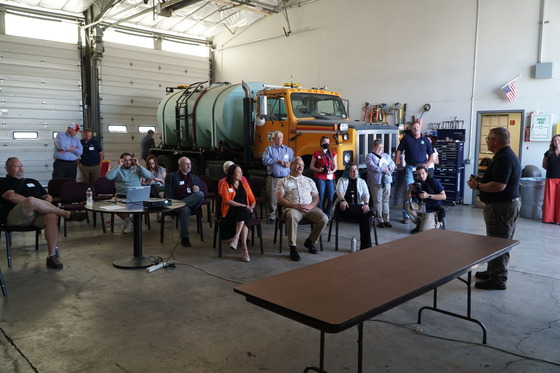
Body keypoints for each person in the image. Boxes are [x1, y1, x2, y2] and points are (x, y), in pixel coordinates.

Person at [0, 157, 88, 269]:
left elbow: (48, 196)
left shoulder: (32, 181)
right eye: (16, 166)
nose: (20, 169)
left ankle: (51, 256)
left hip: (36, 215)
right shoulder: (3, 182)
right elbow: (11, 197)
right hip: (16, 217)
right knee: (31, 200)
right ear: (7, 169)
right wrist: (34, 203)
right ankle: (66, 214)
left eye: (21, 166)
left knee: (51, 215)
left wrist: (43, 204)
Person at [467, 127, 521, 290]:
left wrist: (478, 185)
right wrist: (482, 179)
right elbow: (496, 179)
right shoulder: (503, 156)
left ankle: (498, 278)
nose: (487, 142)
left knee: (499, 242)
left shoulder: (504, 158)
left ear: (496, 140)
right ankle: (492, 270)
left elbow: (499, 186)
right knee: (493, 240)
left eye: (488, 139)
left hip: (502, 208)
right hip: (502, 207)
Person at [276, 156, 328, 261]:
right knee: (291, 216)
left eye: (302, 165)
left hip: (309, 208)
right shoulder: (283, 181)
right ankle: (293, 247)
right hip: (293, 208)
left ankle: (310, 241)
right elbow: (279, 199)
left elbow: (316, 197)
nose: (300, 167)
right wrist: (294, 205)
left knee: (324, 218)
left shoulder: (309, 180)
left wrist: (310, 206)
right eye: (298, 164)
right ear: (291, 165)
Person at [394, 121, 434, 223]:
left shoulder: (425, 140)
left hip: (422, 170)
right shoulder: (406, 138)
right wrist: (395, 162)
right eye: (413, 128)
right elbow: (399, 150)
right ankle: (406, 215)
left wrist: (428, 164)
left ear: (420, 128)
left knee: (423, 191)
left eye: (417, 127)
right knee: (409, 190)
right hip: (410, 168)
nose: (415, 129)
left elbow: (431, 154)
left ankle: (422, 213)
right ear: (411, 130)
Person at [105, 152, 152, 233]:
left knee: (146, 205)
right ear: (121, 160)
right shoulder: (117, 169)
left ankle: (133, 221)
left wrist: (138, 165)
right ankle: (129, 221)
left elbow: (149, 176)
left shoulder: (136, 168)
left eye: (130, 160)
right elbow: (108, 177)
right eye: (125, 160)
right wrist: (118, 165)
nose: (128, 162)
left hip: (137, 194)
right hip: (121, 194)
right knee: (112, 204)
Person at [164, 157, 205, 247]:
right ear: (180, 165)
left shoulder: (194, 177)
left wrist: (198, 190)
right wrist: (172, 202)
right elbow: (168, 192)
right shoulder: (171, 176)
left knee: (200, 194)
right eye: (186, 164)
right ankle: (185, 238)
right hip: (177, 204)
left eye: (190, 163)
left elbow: (204, 192)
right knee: (184, 209)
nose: (189, 165)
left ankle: (180, 204)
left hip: (192, 203)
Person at [218, 163, 256, 262]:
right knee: (243, 213)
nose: (241, 174)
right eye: (238, 172)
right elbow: (227, 200)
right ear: (232, 174)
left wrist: (251, 207)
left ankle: (236, 238)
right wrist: (243, 205)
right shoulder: (225, 184)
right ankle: (244, 250)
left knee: (244, 212)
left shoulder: (244, 185)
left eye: (241, 172)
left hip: (245, 211)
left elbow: (253, 200)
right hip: (231, 211)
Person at [334, 163, 372, 250]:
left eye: (356, 169)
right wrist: (342, 200)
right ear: (347, 171)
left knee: (366, 216)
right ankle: (367, 247)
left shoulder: (362, 182)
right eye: (351, 170)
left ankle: (365, 248)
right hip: (344, 208)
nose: (354, 171)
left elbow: (366, 194)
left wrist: (366, 204)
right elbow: (339, 191)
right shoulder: (342, 180)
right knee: (365, 213)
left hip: (358, 209)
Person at [262, 131, 294, 224]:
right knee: (272, 197)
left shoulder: (288, 150)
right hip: (273, 178)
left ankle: (284, 215)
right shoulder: (269, 149)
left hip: (285, 178)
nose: (279, 139)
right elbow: (264, 161)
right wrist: (277, 160)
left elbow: (293, 161)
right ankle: (272, 215)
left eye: (281, 137)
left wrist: (290, 163)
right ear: (273, 139)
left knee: (286, 197)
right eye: (277, 137)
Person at [404, 166, 446, 233]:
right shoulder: (417, 184)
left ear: (427, 173)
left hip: (433, 209)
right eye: (419, 174)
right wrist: (410, 189)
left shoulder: (434, 182)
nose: (421, 176)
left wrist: (428, 196)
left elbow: (444, 196)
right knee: (407, 206)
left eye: (423, 173)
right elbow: (406, 199)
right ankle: (420, 224)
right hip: (422, 207)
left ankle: (438, 223)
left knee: (423, 232)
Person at [366, 139, 395, 228]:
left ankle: (387, 219)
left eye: (381, 147)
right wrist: (383, 169)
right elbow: (372, 166)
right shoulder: (369, 156)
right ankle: (380, 220)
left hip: (386, 180)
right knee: (377, 201)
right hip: (376, 182)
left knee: (386, 200)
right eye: (378, 147)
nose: (380, 149)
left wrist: (389, 169)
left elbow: (392, 163)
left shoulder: (386, 156)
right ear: (374, 147)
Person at [309, 136, 338, 219]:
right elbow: (311, 166)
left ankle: (327, 215)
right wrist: (320, 169)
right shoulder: (316, 153)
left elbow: (336, 166)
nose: (326, 144)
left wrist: (331, 171)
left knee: (331, 198)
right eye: (325, 142)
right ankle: (320, 215)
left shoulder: (333, 153)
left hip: (330, 177)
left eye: (328, 143)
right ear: (321, 143)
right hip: (320, 177)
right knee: (320, 197)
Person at [542, 134, 560, 224]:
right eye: (555, 140)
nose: (557, 142)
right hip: (551, 178)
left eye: (558, 140)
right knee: (550, 200)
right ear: (552, 143)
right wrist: (552, 170)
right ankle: (548, 219)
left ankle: (558, 220)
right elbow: (544, 165)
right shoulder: (548, 153)